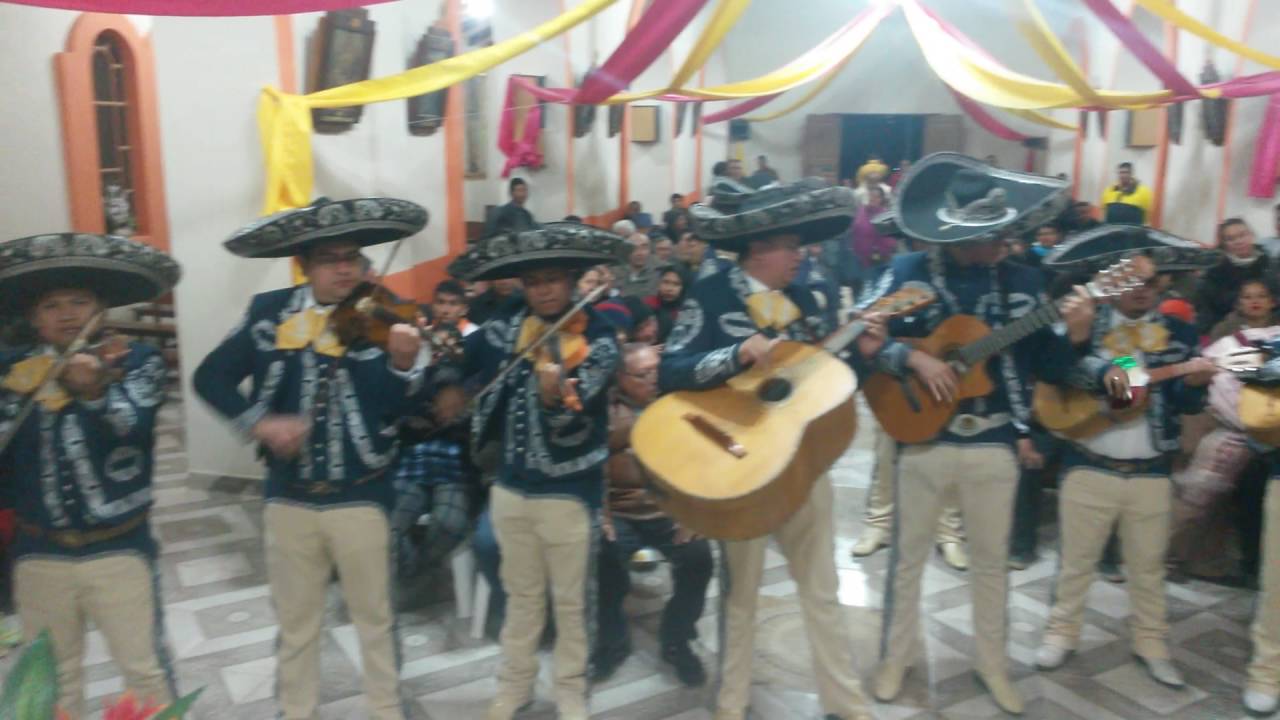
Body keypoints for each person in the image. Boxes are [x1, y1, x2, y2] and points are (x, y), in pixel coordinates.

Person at [194, 197, 429, 720]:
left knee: (377, 618)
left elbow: (409, 408)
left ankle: (387, 709)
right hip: (290, 498)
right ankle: (296, 710)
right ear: (303, 264)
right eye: (329, 258)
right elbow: (208, 377)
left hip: (364, 494)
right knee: (297, 621)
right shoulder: (267, 315)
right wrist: (258, 422)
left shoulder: (388, 313)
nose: (345, 267)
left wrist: (407, 367)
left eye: (353, 256)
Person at [662, 178, 883, 720]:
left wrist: (866, 354)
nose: (800, 256)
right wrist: (737, 353)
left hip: (806, 467)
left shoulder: (817, 295)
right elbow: (671, 369)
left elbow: (832, 379)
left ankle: (846, 702)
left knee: (822, 590)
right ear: (758, 250)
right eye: (790, 245)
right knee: (741, 595)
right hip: (743, 468)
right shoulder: (711, 295)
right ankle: (732, 702)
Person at [867, 154, 1078, 715]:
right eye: (988, 235)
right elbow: (859, 338)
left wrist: (1078, 337)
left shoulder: (1028, 281)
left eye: (1001, 232)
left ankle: (992, 662)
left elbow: (1056, 365)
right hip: (923, 437)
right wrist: (910, 362)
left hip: (993, 438)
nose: (1000, 243)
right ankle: (894, 658)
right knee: (907, 559)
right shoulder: (907, 271)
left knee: (991, 561)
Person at [0, 233, 181, 719]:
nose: (66, 314)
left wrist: (94, 392)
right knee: (51, 681)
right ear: (33, 318)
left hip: (119, 549)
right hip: (38, 553)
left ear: (100, 309)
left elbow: (133, 425)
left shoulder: (134, 362)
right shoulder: (11, 372)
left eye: (79, 302)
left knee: (145, 672)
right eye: (51, 305)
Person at [448, 222, 624, 720]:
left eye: (552, 279)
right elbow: (465, 361)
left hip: (570, 491)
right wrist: (447, 369)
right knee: (520, 597)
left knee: (570, 603)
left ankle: (570, 689)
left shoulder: (601, 336)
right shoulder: (508, 326)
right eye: (533, 281)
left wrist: (555, 394)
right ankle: (514, 685)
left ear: (572, 281)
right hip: (511, 485)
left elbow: (577, 402)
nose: (543, 290)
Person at [1033, 226, 1219, 690]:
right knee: (1075, 562)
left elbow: (1184, 402)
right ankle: (1062, 632)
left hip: (1151, 470)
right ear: (1114, 281)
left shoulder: (1178, 331)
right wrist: (1088, 354)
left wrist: (1195, 384)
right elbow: (1051, 370)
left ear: (1162, 286)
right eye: (1131, 281)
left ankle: (1151, 643)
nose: (1141, 291)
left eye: (1150, 283)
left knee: (1148, 566)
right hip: (1089, 461)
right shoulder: (1086, 321)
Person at [590, 343, 713, 685]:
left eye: (657, 371)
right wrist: (603, 515)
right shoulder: (605, 411)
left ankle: (676, 640)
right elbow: (593, 467)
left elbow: (699, 463)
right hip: (622, 512)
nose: (653, 380)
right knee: (602, 555)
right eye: (643, 375)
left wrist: (693, 515)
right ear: (621, 377)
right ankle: (612, 641)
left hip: (669, 512)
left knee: (699, 558)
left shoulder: (679, 406)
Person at [1196, 218, 1271, 334]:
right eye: (1230, 239)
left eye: (1242, 235)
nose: (1238, 241)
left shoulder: (1270, 265)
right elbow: (1210, 312)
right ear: (1224, 244)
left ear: (1251, 235)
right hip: (1228, 331)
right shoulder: (1215, 272)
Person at [1211, 278, 1280, 340]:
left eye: (1261, 296)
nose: (1255, 301)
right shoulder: (1224, 329)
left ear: (1272, 302)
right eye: (1247, 297)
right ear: (1238, 304)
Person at [644, 264, 692, 343]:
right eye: (665, 282)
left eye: (676, 284)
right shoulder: (647, 304)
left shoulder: (688, 311)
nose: (669, 288)